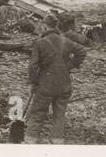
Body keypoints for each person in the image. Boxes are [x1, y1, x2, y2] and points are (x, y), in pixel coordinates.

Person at [27, 16, 87, 144]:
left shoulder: (40, 42)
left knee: (38, 111)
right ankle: (57, 139)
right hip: (64, 83)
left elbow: (33, 66)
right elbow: (82, 51)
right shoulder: (66, 41)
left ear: (44, 26)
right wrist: (69, 66)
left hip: (46, 84)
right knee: (60, 114)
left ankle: (31, 139)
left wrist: (32, 82)